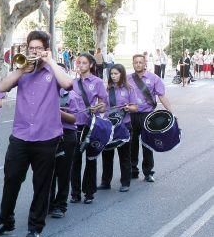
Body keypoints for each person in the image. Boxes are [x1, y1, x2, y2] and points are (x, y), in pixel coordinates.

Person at [0, 30, 73, 237]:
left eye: (38, 48)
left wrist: (50, 61)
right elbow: (0, 88)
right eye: (31, 48)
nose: (34, 52)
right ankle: (5, 220)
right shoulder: (22, 70)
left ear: (46, 50)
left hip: (47, 137)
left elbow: (68, 84)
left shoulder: (54, 70)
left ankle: (35, 226)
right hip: (21, 135)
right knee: (12, 179)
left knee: (41, 183)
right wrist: (20, 71)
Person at [129, 53, 174, 183]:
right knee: (132, 143)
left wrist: (171, 112)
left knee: (147, 144)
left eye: (140, 62)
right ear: (133, 64)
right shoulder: (127, 78)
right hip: (131, 115)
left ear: (145, 64)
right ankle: (133, 170)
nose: (138, 64)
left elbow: (162, 96)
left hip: (147, 115)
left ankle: (148, 172)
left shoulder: (154, 78)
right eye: (135, 62)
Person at [69, 53, 106, 204]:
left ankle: (89, 192)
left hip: (91, 125)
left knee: (91, 159)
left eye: (84, 63)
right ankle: (75, 193)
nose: (81, 65)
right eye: (79, 63)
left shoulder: (97, 82)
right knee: (75, 161)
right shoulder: (71, 82)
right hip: (75, 125)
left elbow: (104, 104)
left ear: (90, 65)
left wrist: (98, 107)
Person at [99, 64, 138, 193]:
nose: (114, 76)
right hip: (109, 126)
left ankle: (125, 182)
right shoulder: (107, 89)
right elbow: (103, 107)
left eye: (116, 74)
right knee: (107, 155)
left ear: (122, 74)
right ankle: (105, 182)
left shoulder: (129, 89)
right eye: (112, 74)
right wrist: (99, 107)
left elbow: (135, 107)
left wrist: (128, 108)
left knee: (124, 155)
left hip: (124, 125)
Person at [48, 68, 79, 219]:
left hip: (66, 135)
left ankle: (60, 205)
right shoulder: (44, 93)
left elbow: (74, 119)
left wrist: (56, 111)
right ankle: (48, 203)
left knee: (63, 172)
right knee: (48, 172)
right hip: (47, 135)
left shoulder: (71, 95)